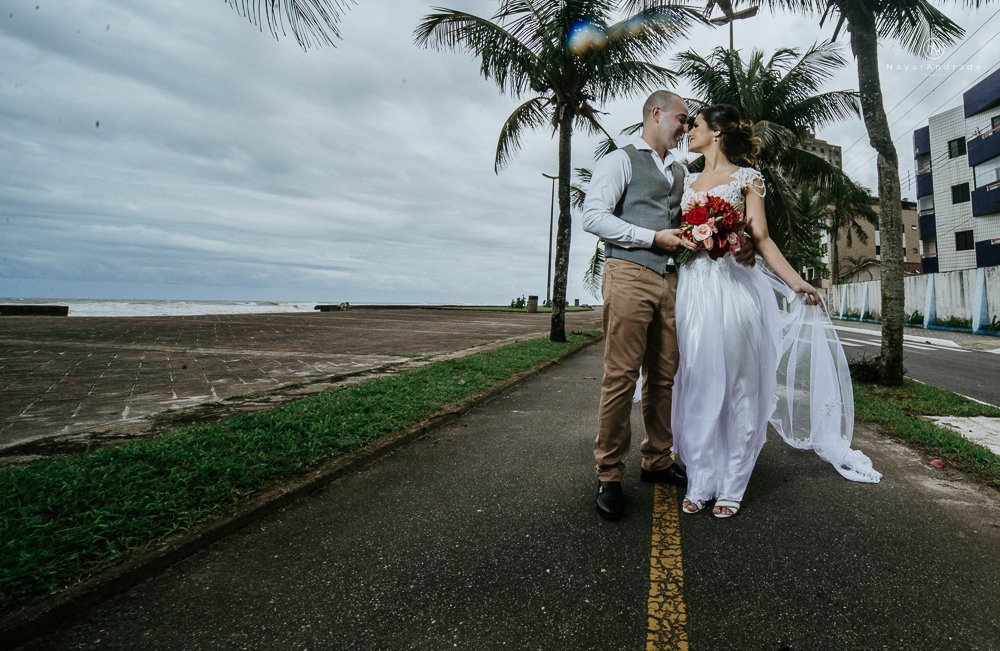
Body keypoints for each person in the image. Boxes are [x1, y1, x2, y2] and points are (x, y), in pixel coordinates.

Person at [673, 104, 880, 519]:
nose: (688, 131)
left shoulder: (748, 178)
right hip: (693, 290)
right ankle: (700, 476)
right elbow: (677, 236)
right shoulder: (687, 180)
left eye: (694, 126)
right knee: (697, 379)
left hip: (734, 288)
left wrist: (797, 282)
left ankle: (732, 481)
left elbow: (761, 238)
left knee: (739, 384)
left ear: (716, 133)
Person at [582, 91, 756, 521]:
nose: (684, 128)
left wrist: (740, 239)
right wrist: (650, 237)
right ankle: (609, 474)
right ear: (655, 114)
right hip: (628, 273)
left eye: (689, 123)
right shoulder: (621, 159)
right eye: (681, 120)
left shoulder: (680, 172)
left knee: (663, 377)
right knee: (621, 376)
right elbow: (592, 216)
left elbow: (698, 224)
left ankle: (657, 461)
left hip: (673, 281)